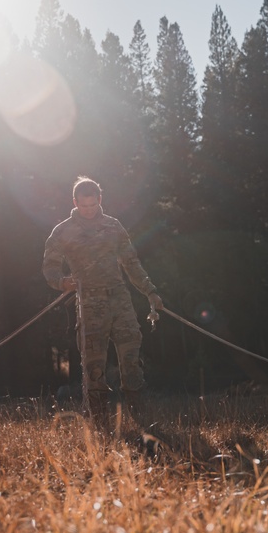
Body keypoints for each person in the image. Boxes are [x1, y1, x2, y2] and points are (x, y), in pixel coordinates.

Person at [42, 176, 163, 431]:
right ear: (75, 202)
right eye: (84, 206)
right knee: (94, 367)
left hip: (120, 299)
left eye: (93, 205)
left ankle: (144, 425)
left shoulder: (113, 226)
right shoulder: (62, 231)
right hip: (89, 302)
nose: (88, 210)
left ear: (100, 200)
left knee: (131, 360)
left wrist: (150, 291)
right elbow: (50, 267)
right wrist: (62, 282)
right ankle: (100, 428)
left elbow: (131, 262)